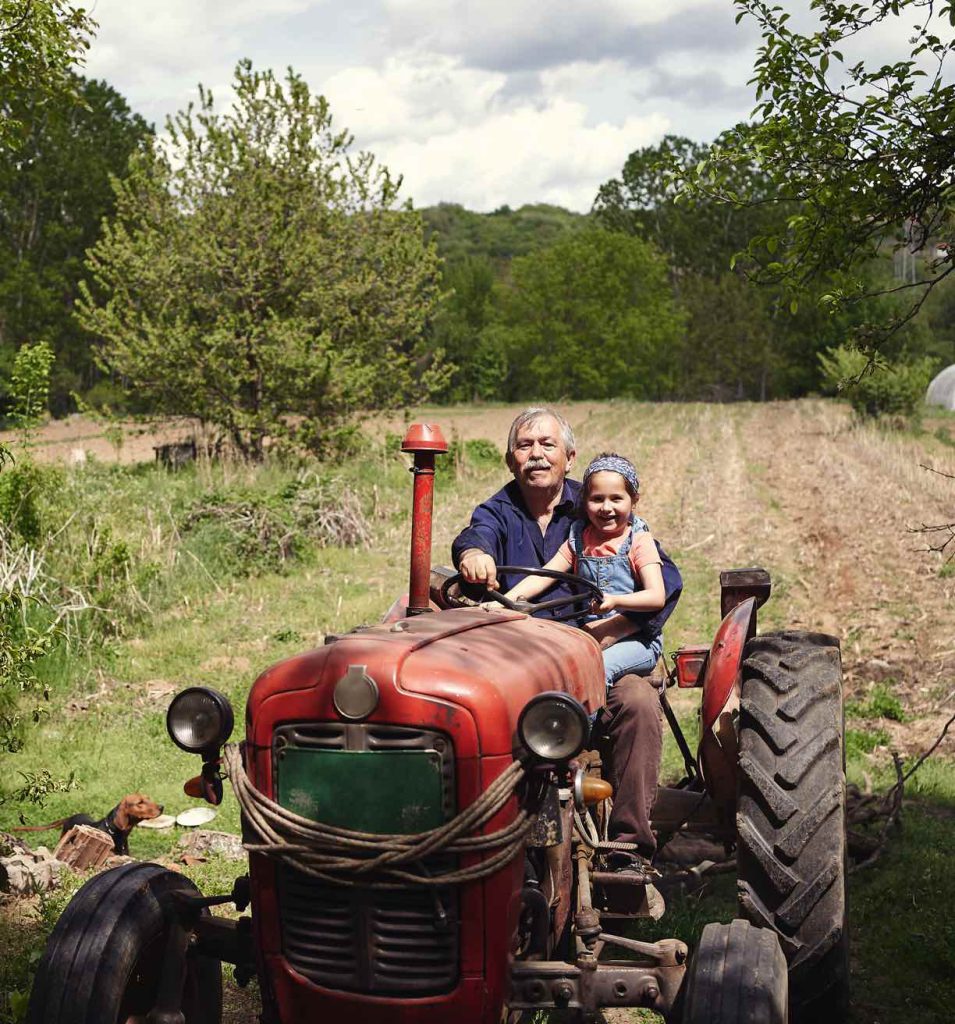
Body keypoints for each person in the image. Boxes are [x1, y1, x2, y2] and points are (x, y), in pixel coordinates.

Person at [451, 410, 666, 870]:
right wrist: (473, 554)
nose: (536, 454)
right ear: (510, 460)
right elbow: (476, 537)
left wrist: (617, 629)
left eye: (547, 444)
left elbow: (667, 582)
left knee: (637, 702)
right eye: (525, 445)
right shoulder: (497, 511)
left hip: (599, 649)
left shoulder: (594, 503)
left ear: (569, 457)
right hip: (520, 660)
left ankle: (629, 847)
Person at [499, 452, 665, 688]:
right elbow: (544, 576)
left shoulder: (638, 541)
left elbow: (656, 596)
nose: (606, 508)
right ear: (585, 500)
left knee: (596, 669)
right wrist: (502, 602)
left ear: (634, 500)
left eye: (616, 499)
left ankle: (586, 714)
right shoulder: (578, 539)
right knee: (549, 667)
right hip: (589, 636)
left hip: (638, 641)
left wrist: (616, 601)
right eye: (597, 499)